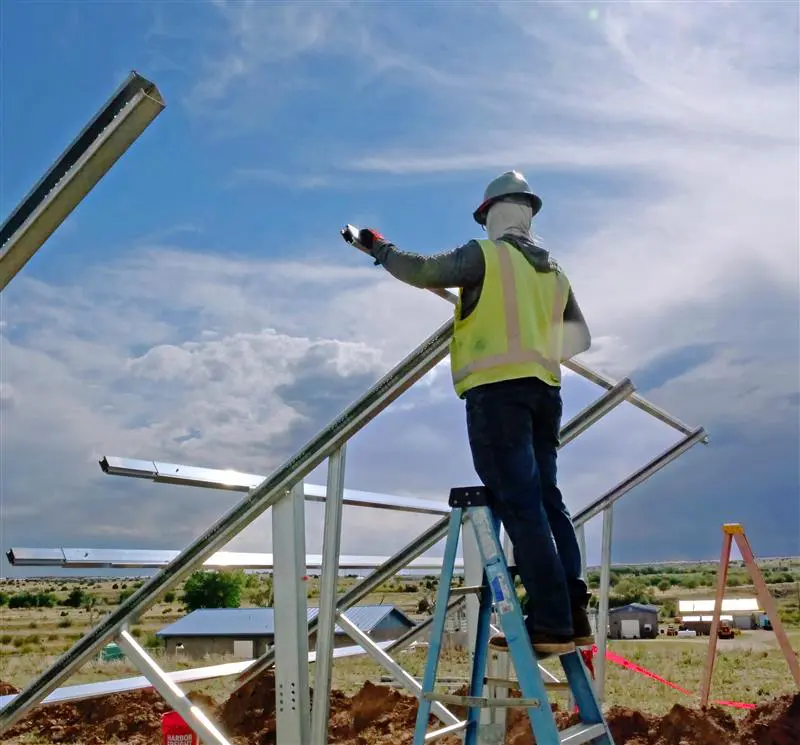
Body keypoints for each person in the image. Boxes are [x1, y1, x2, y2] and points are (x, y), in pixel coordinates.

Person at [352, 170, 594, 656]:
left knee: (520, 505)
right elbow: (580, 340)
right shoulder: (554, 273)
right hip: (544, 392)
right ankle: (573, 616)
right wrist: (533, 339)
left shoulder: (485, 257)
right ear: (529, 213)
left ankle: (548, 623)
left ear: (489, 215)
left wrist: (377, 246)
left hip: (496, 395)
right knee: (549, 502)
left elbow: (421, 271)